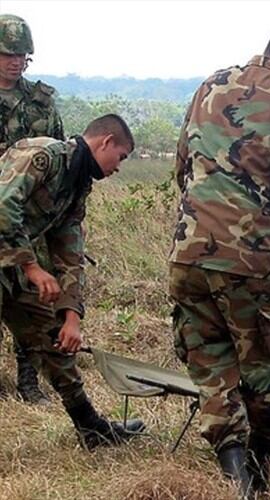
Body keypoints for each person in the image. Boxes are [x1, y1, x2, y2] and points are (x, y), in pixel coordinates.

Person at [169, 14, 270, 496]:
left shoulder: (211, 83)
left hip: (188, 254)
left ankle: (232, 469)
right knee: (268, 359)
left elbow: (182, 165)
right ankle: (256, 468)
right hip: (252, 257)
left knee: (211, 361)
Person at [0, 113, 145, 448]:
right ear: (106, 141)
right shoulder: (43, 156)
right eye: (121, 156)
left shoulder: (77, 184)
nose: (119, 167)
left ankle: (90, 428)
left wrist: (71, 317)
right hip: (15, 262)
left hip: (10, 267)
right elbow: (4, 208)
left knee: (53, 337)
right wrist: (32, 267)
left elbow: (70, 252)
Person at [0, 13, 65, 405]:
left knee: (33, 295)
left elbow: (60, 156)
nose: (15, 61)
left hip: (31, 219)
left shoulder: (41, 103)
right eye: (8, 54)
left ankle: (30, 380)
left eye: (21, 55)